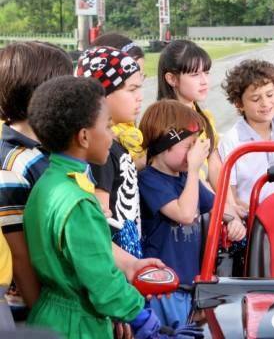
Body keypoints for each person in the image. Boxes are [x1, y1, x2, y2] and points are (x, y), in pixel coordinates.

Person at [23, 76, 192, 338]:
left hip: (50, 317)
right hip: (78, 326)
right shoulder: (78, 201)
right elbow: (103, 284)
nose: (113, 134)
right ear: (84, 137)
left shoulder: (49, 182)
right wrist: (144, 320)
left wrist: (130, 265)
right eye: (109, 126)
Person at [138, 100, 246, 327]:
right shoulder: (149, 179)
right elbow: (184, 214)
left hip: (188, 284)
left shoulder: (185, 178)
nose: (194, 153)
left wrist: (232, 221)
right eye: (189, 146)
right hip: (164, 287)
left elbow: (218, 208)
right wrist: (196, 168)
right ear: (164, 144)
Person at [0, 41, 73, 320]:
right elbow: (19, 255)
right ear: (37, 95)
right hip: (36, 309)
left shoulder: (47, 150)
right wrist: (44, 314)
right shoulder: (11, 162)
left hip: (65, 300)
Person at [76, 46, 145, 259]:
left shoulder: (115, 144)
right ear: (102, 95)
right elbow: (101, 214)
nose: (139, 97)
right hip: (117, 259)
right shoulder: (101, 153)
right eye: (131, 89)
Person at [219, 59, 274, 216]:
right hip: (252, 217)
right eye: (255, 99)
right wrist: (261, 214)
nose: (265, 103)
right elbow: (231, 197)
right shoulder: (232, 140)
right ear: (239, 104)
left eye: (270, 94)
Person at [157, 40, 221, 190]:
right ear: (172, 79)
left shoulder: (205, 118)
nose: (204, 81)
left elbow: (215, 166)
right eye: (195, 75)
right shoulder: (162, 124)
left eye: (206, 73)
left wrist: (228, 202)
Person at [92, 33, 147, 170]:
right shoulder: (103, 143)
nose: (139, 96)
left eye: (141, 75)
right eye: (132, 87)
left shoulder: (128, 127)